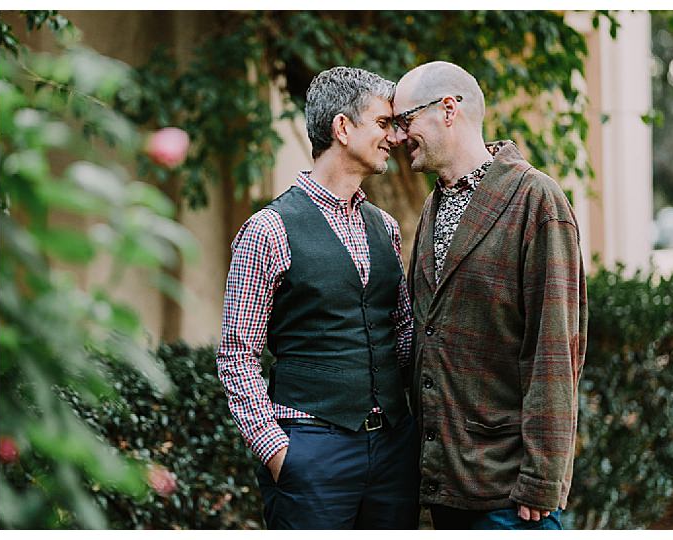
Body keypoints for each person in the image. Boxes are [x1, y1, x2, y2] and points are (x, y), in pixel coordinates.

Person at [216, 66, 419, 530]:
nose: (394, 137)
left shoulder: (385, 227)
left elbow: (403, 332)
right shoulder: (269, 228)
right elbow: (237, 354)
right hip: (312, 449)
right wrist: (277, 452)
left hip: (392, 450)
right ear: (342, 128)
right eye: (383, 123)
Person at [393, 61, 587, 530]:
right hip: (447, 483)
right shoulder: (434, 205)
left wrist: (542, 478)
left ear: (447, 109)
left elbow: (555, 347)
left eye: (405, 120)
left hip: (509, 494)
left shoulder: (536, 200)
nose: (398, 137)